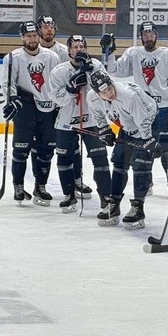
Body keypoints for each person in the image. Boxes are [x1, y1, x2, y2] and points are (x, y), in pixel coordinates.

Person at [102, 21, 168, 194]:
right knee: (144, 145)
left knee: (166, 146)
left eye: (151, 33)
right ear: (141, 36)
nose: (148, 37)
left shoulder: (167, 54)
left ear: (156, 35)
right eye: (145, 34)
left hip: (162, 107)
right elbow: (115, 71)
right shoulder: (134, 53)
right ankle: (148, 181)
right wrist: (108, 52)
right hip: (141, 108)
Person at [86, 69, 161, 228]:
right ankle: (114, 204)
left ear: (112, 83)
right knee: (119, 163)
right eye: (104, 92)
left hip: (148, 123)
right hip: (128, 126)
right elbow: (99, 116)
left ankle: (138, 207)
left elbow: (144, 121)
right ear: (97, 93)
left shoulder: (129, 96)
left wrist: (148, 140)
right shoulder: (92, 98)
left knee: (141, 165)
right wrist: (104, 130)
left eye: (109, 89)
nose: (109, 94)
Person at [46, 34, 112, 213]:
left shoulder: (96, 66)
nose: (79, 49)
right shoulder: (59, 71)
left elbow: (106, 93)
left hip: (92, 119)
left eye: (81, 46)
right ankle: (69, 195)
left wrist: (90, 74)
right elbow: (57, 100)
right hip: (67, 122)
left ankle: (106, 198)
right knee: (64, 159)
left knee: (100, 158)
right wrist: (70, 89)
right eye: (75, 46)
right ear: (68, 51)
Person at [1, 20, 61, 207]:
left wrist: (60, 103)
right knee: (21, 149)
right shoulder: (12, 57)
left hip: (48, 108)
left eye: (35, 35)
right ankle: (18, 185)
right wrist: (12, 99)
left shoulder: (52, 57)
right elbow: (8, 82)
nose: (32, 39)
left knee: (46, 150)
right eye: (28, 36)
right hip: (25, 108)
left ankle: (40, 186)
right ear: (22, 37)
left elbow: (57, 82)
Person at [38, 15, 94, 199]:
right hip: (44, 106)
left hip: (65, 106)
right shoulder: (32, 51)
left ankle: (76, 181)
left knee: (73, 147)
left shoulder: (64, 50)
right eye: (45, 26)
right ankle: (40, 185)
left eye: (51, 26)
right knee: (43, 147)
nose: (48, 29)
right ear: (39, 30)